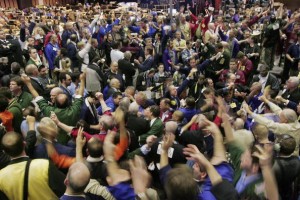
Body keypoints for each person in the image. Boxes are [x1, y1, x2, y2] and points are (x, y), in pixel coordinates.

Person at [0, 131, 66, 200]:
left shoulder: (1, 177)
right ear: (24, 144)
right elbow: (65, 189)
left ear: (4, 152)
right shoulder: (44, 165)